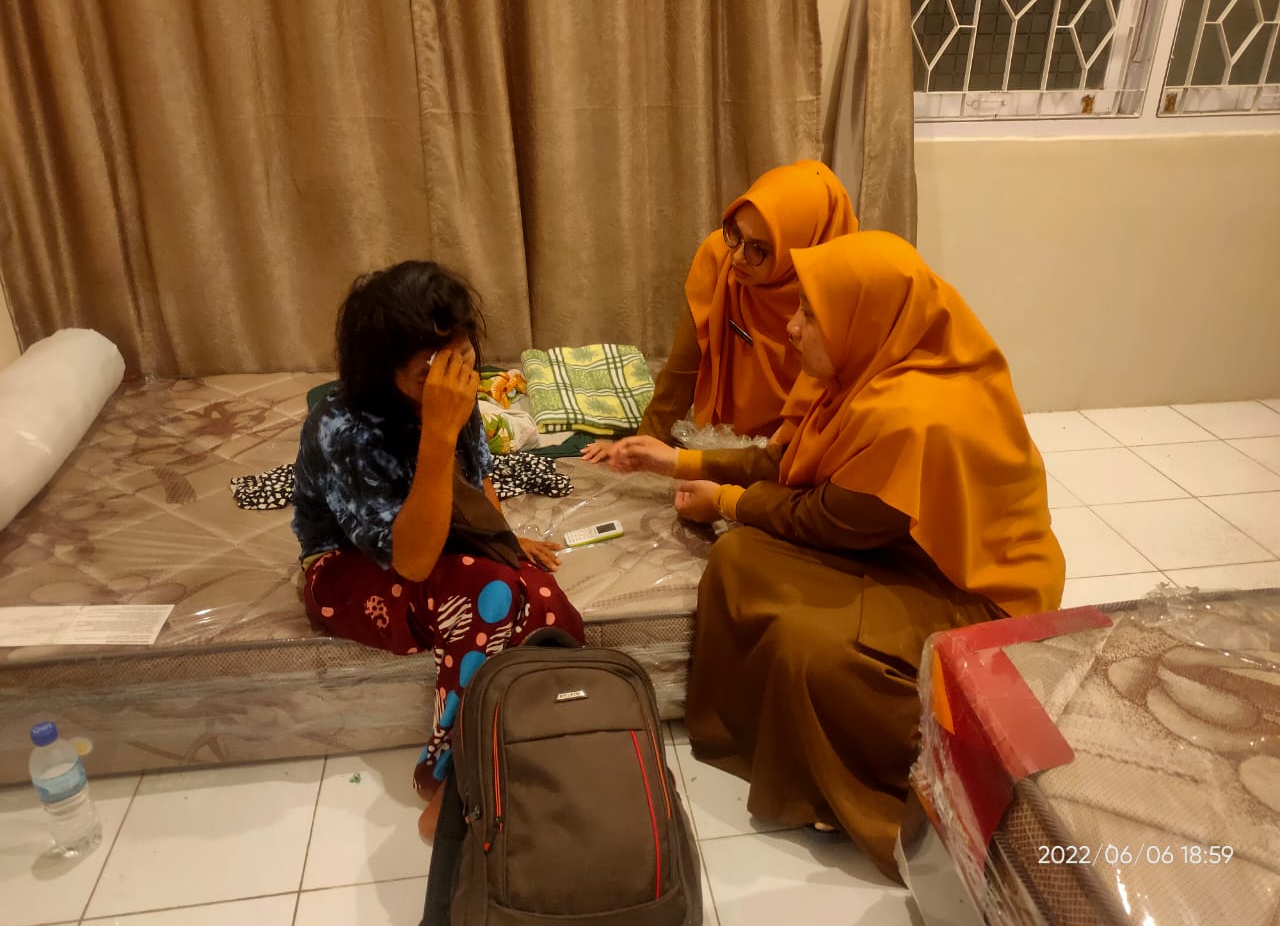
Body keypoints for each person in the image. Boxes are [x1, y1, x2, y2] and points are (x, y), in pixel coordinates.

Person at [606, 232, 1065, 880]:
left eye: (810, 314)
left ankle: (906, 782)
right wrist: (679, 461)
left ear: (864, 315)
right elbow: (786, 463)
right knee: (741, 560)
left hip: (968, 588)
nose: (791, 327)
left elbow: (826, 519)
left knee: (812, 648)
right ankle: (791, 752)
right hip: (901, 543)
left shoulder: (914, 415)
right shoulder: (862, 370)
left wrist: (726, 501)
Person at [291, 260, 584, 837]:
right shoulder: (344, 428)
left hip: (442, 542)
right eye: (430, 370)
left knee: (546, 600)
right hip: (346, 568)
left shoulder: (457, 391)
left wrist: (502, 539)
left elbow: (477, 484)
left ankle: (533, 742)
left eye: (463, 357)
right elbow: (413, 563)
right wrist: (439, 431)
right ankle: (450, 778)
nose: (454, 378)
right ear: (383, 373)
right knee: (491, 592)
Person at [581, 159, 856, 462]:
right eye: (735, 233)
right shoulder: (719, 257)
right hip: (726, 440)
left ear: (802, 246)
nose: (737, 257)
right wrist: (641, 444)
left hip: (802, 451)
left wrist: (696, 468)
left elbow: (821, 417)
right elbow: (681, 370)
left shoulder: (841, 293)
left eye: (759, 250)